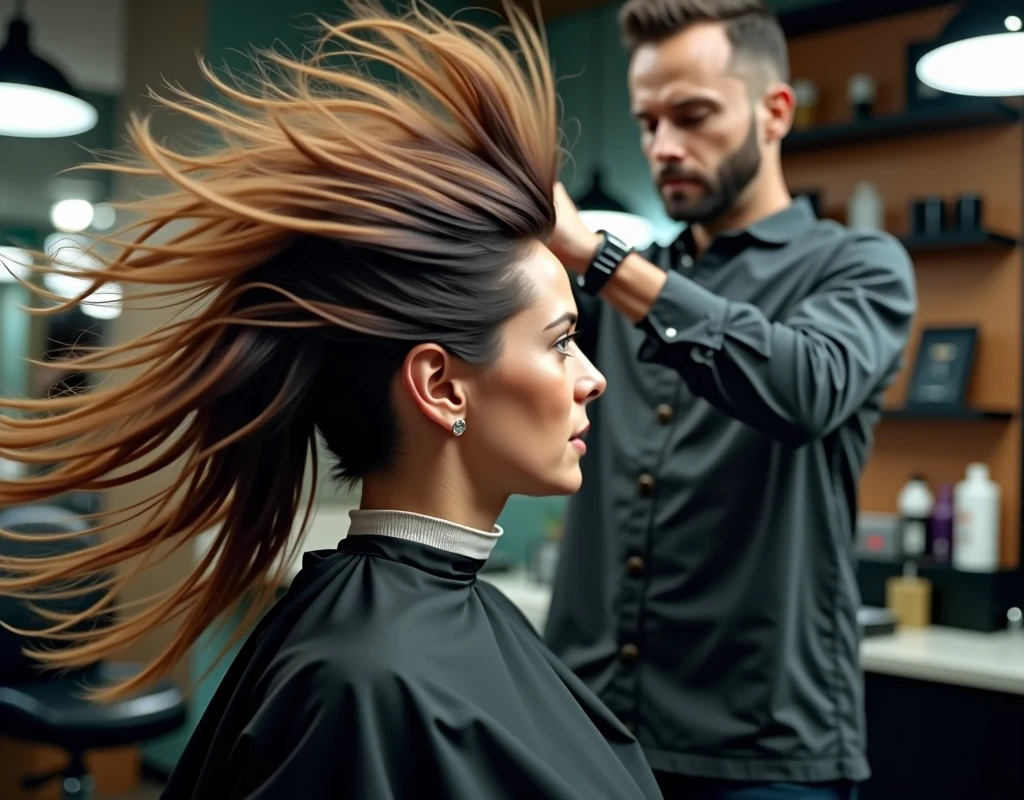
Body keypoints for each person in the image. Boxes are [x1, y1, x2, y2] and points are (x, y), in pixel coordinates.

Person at [0, 5, 664, 799]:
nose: (592, 377)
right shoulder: (357, 681)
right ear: (440, 385)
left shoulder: (422, 631)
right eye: (559, 342)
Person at [543, 1, 916, 798]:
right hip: (589, 728)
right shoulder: (619, 288)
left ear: (774, 111)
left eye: (693, 115)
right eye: (647, 123)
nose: (663, 147)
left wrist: (600, 257)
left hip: (765, 751)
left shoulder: (861, 268)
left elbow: (805, 386)